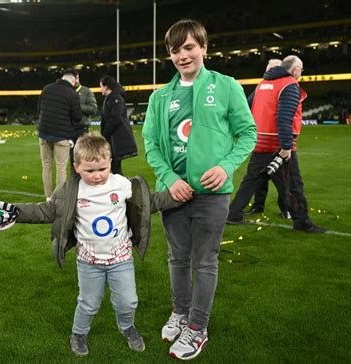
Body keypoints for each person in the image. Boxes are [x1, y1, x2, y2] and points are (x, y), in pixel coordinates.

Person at [142, 19, 257, 360]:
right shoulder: (161, 96)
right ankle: (180, 312)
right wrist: (169, 179)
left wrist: (224, 166)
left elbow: (248, 133)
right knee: (177, 257)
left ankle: (197, 327)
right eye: (175, 50)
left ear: (204, 48)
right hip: (172, 193)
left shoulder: (226, 86)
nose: (182, 56)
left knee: (204, 261)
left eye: (189, 47)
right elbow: (151, 144)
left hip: (212, 194)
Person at [15, 133, 179, 356]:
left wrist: (176, 196)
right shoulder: (70, 191)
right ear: (76, 167)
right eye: (90, 171)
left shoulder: (121, 184)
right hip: (88, 263)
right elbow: (45, 211)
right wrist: (13, 212)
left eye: (102, 168)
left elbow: (149, 202)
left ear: (110, 162)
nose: (97, 175)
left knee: (128, 301)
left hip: (121, 260)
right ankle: (79, 333)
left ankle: (127, 327)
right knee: (88, 303)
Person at [227, 55, 326, 233]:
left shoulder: (262, 85)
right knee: (293, 184)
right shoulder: (289, 85)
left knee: (251, 180)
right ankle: (301, 221)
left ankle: (233, 213)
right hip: (277, 144)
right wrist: (287, 146)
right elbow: (284, 117)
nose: (301, 72)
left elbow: (247, 106)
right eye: (301, 69)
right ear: (295, 70)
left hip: (260, 141)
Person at [244, 59, 291, 219]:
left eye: (273, 68)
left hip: (277, 141)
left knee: (282, 180)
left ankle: (287, 208)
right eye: (268, 68)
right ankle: (258, 206)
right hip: (260, 141)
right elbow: (247, 104)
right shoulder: (261, 86)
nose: (270, 72)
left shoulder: (285, 86)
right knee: (259, 178)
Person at [37, 69, 83, 200]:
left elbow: (39, 109)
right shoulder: (72, 93)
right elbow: (77, 117)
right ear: (74, 80)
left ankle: (48, 196)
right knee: (61, 167)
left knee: (46, 166)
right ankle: (59, 198)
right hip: (62, 135)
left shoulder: (47, 88)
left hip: (44, 133)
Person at [100, 76, 137, 175]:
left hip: (116, 137)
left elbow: (116, 117)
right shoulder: (109, 98)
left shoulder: (116, 98)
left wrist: (105, 133)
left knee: (115, 166)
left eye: (101, 86)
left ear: (106, 87)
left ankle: (121, 187)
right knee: (113, 165)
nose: (100, 89)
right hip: (111, 137)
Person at [69, 69, 98, 165]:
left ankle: (84, 178)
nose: (75, 81)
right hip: (68, 129)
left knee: (83, 157)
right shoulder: (66, 91)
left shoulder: (86, 91)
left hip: (82, 129)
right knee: (71, 158)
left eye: (77, 78)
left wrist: (77, 106)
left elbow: (93, 108)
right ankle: (74, 179)